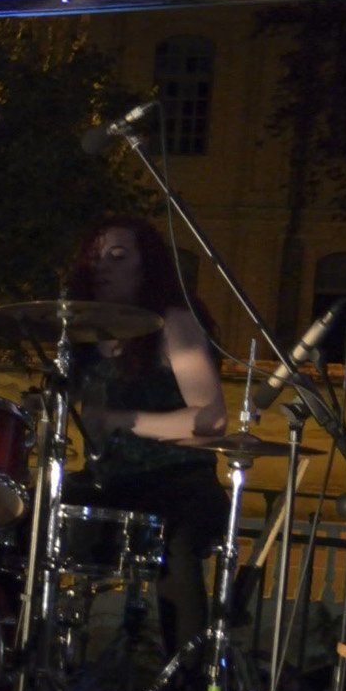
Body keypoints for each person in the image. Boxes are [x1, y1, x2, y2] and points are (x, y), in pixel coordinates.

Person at [63, 215, 230, 655]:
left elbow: (211, 417)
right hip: (112, 481)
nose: (103, 266)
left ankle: (188, 673)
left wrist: (123, 420)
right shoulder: (85, 334)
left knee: (175, 547)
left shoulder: (172, 323)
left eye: (118, 256)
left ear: (146, 267)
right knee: (25, 514)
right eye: (96, 257)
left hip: (178, 481)